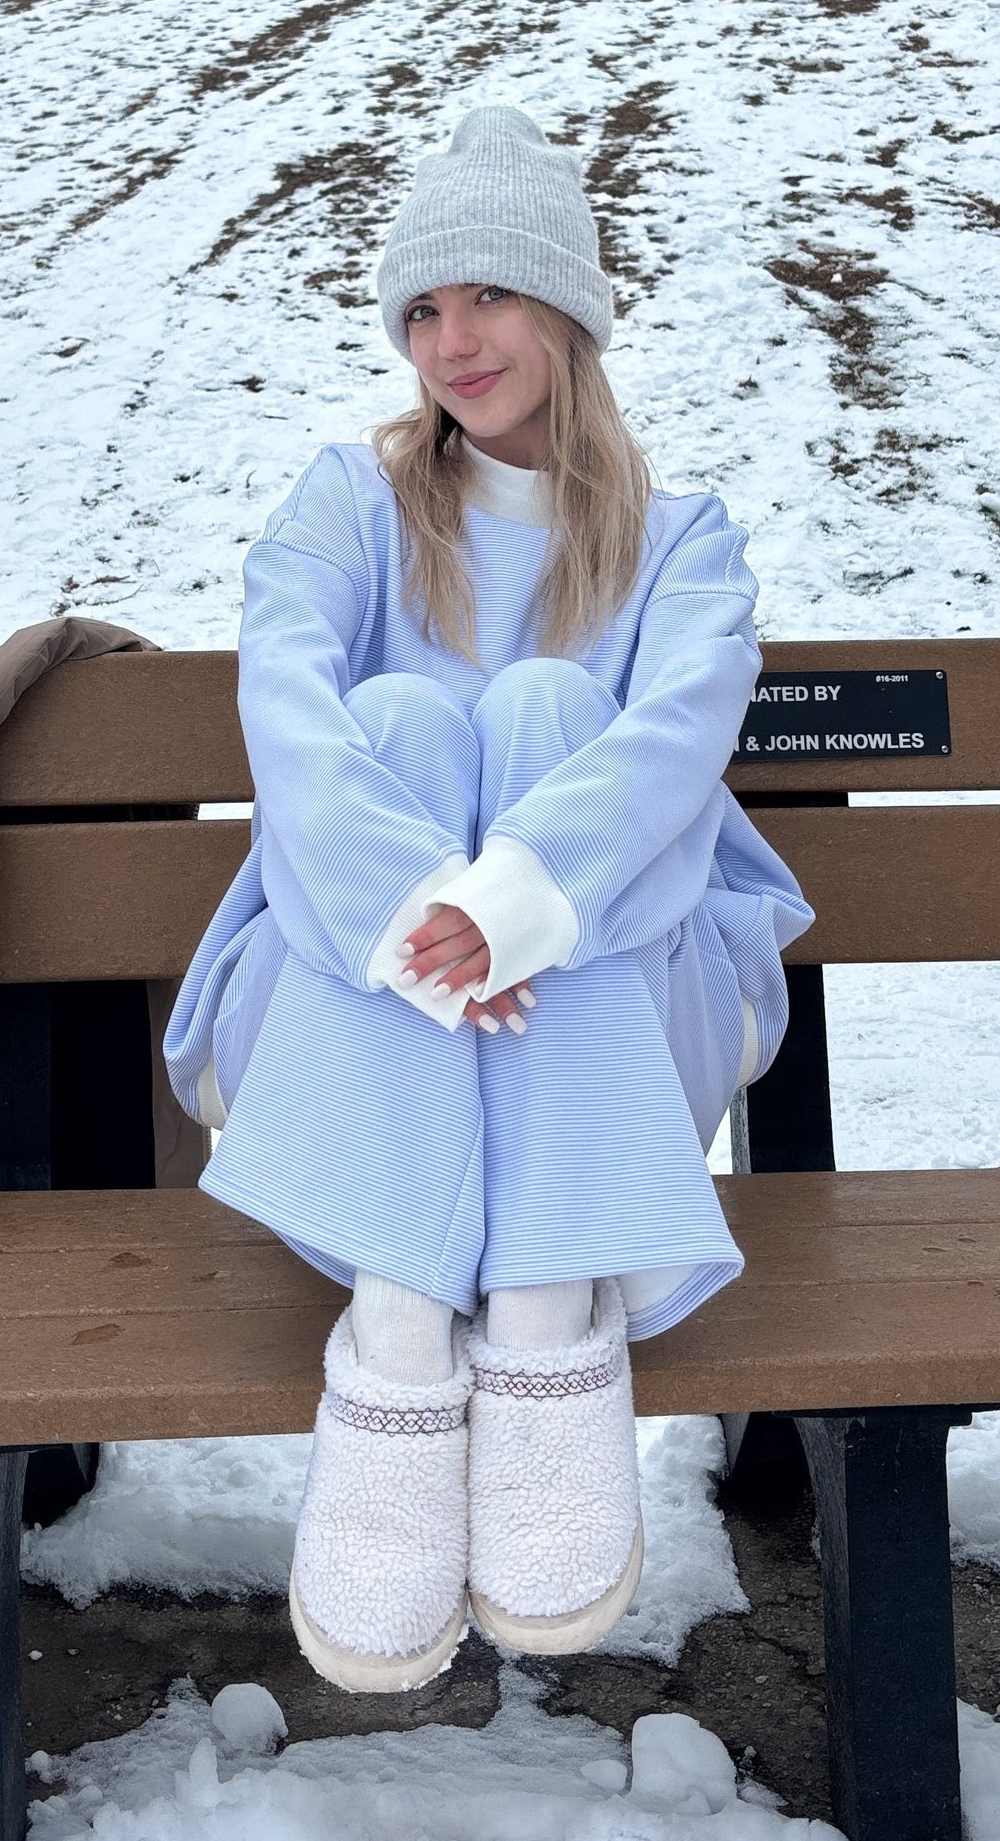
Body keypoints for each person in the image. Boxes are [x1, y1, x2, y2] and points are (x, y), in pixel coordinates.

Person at [165, 105, 813, 1693]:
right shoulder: (349, 507)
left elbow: (673, 749)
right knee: (396, 725)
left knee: (544, 718)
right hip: (342, 981)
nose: (453, 343)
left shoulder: (680, 546)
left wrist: (522, 900)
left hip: (630, 990)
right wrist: (417, 924)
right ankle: (416, 1329)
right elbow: (290, 705)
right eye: (424, 311)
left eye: (490, 299)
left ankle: (534, 1317)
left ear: (569, 313)